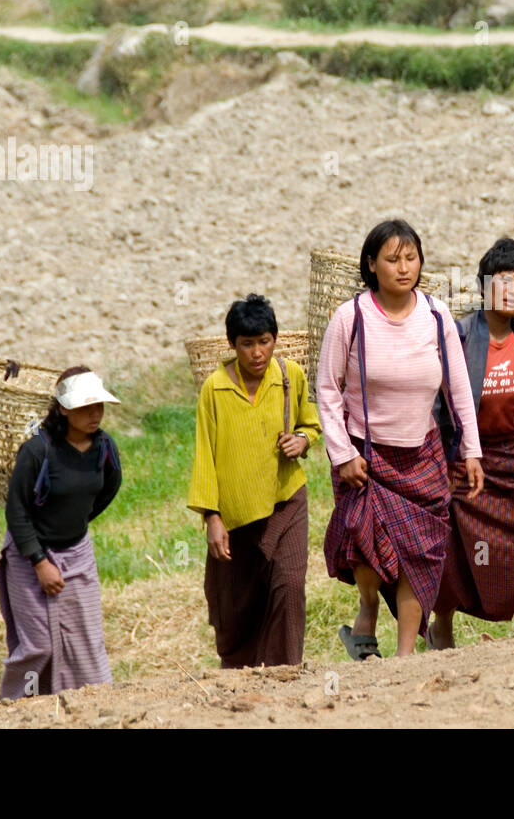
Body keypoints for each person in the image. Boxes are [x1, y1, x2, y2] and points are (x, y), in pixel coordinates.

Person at [316, 219, 484, 659]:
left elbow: (458, 387)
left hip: (422, 454)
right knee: (366, 545)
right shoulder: (349, 318)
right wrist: (342, 454)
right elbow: (328, 390)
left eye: (411, 258)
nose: (403, 267)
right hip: (364, 455)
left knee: (421, 556)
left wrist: (470, 450)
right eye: (392, 259)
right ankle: (368, 605)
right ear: (371, 265)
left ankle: (405, 657)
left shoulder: (435, 314)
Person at [428, 238, 514, 647]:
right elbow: (436, 404)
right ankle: (442, 630)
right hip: (465, 459)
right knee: (454, 545)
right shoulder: (458, 337)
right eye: (504, 282)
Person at [187, 294, 323, 668]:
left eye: (264, 341)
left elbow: (310, 424)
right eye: (247, 344)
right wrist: (212, 518)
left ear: (275, 339)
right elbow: (205, 456)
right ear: (232, 345)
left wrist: (302, 440)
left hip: (286, 499)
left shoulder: (289, 377)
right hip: (236, 516)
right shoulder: (214, 389)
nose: (258, 353)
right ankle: (240, 675)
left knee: (290, 587)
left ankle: (284, 672)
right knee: (237, 605)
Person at [0, 366, 122, 700]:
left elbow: (108, 489)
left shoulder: (105, 447)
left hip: (76, 552)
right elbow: (17, 511)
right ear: (63, 409)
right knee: (38, 645)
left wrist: (74, 525)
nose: (94, 414)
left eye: (98, 406)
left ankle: (88, 707)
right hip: (29, 554)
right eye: (84, 407)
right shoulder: (38, 451)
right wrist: (39, 561)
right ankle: (17, 710)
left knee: (86, 642)